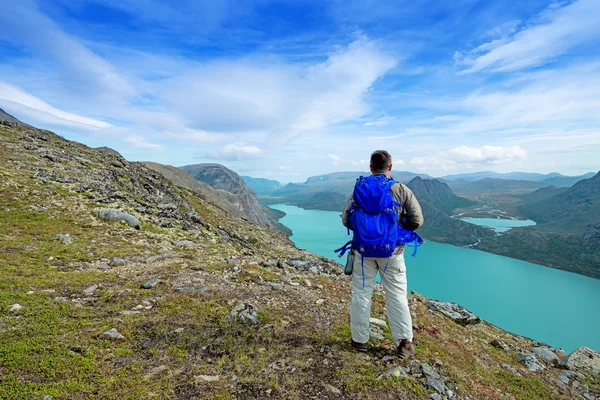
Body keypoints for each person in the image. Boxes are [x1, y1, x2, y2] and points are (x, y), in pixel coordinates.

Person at [341, 150, 424, 358]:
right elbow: (417, 221)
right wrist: (395, 230)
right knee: (396, 296)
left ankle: (360, 341)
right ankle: (404, 343)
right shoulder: (401, 189)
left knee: (362, 295)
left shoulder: (359, 188)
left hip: (363, 252)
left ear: (370, 167)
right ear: (390, 167)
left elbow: (345, 219)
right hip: (392, 253)